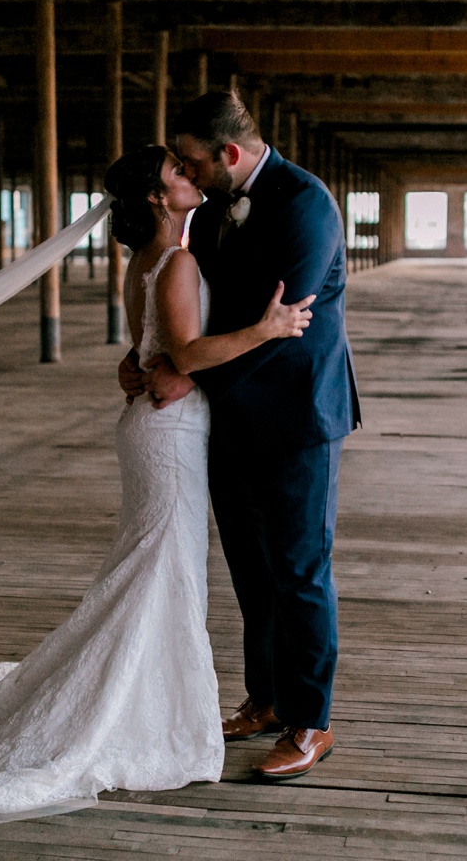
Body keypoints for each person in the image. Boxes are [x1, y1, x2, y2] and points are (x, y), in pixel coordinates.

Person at [0, 144, 313, 823]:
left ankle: (134, 705)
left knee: (152, 569)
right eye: (177, 174)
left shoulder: (145, 262)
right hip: (171, 431)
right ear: (157, 198)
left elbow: (143, 351)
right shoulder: (179, 261)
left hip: (151, 423)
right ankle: (126, 717)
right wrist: (267, 328)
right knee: (161, 569)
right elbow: (182, 353)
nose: (191, 178)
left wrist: (139, 366)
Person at [121, 90, 361, 780]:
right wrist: (157, 357)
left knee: (300, 571)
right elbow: (201, 304)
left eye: (193, 164)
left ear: (227, 153)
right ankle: (265, 698)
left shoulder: (304, 202)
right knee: (252, 574)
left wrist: (185, 374)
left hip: (296, 417)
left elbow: (286, 319)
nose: (187, 177)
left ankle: (311, 721)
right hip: (227, 419)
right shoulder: (220, 204)